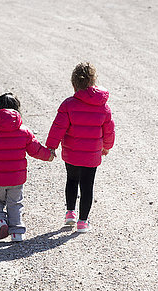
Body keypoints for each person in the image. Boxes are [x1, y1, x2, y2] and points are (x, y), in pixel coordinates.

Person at [0, 93, 54, 242]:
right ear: (17, 110)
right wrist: (48, 155)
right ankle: (17, 233)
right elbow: (35, 149)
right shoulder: (24, 131)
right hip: (16, 179)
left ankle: (0, 221)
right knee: (15, 204)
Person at [46, 62, 115, 232]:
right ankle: (83, 222)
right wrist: (106, 147)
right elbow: (109, 130)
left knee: (71, 180)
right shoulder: (103, 106)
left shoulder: (68, 104)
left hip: (72, 153)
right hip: (92, 155)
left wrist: (51, 147)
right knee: (87, 186)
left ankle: (70, 213)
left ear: (74, 83)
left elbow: (58, 128)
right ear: (93, 82)